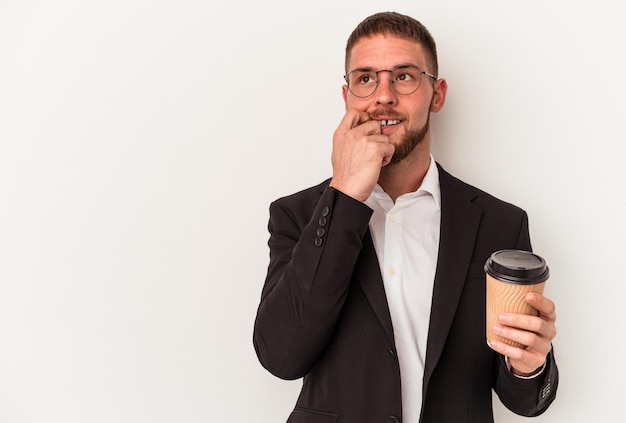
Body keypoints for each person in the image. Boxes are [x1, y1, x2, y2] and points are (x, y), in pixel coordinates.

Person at [253, 11, 558, 423]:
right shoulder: (299, 215)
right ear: (347, 98)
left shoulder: (500, 224)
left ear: (437, 94)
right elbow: (281, 355)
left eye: (403, 76)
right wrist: (344, 195)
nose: (383, 96)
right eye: (365, 79)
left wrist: (529, 365)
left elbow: (524, 400)